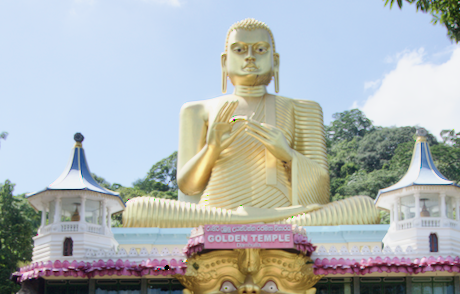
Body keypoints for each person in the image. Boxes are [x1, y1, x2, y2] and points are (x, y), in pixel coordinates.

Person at [122, 18, 380, 228]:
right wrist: (211, 149)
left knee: (365, 208)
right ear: (224, 61)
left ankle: (252, 220)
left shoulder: (303, 108)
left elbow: (321, 192)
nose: (249, 57)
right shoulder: (198, 110)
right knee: (136, 210)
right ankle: (248, 220)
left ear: (275, 61)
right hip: (215, 215)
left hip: (289, 215)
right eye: (239, 49)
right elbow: (188, 187)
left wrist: (288, 155)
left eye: (259, 49)